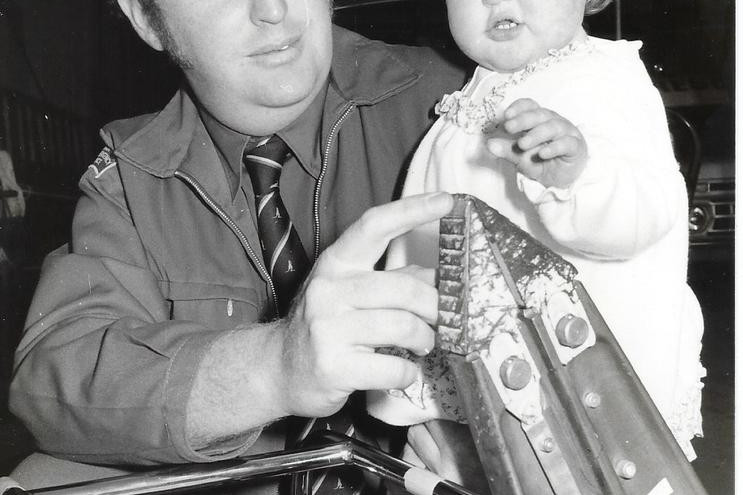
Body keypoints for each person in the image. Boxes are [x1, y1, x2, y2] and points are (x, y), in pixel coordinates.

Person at [7, 0, 470, 491]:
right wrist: (274, 367)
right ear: (145, 18)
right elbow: (53, 380)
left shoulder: (462, 101)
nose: (273, 9)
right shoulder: (130, 179)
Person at [370, 0, 705, 464]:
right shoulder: (477, 90)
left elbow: (646, 212)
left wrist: (576, 176)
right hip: (483, 370)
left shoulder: (603, 79)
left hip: (584, 391)